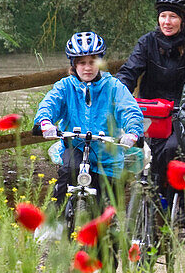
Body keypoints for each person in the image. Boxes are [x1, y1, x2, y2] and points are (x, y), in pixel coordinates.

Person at [32, 31, 144, 221]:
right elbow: (50, 103)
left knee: (107, 210)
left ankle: (109, 240)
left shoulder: (114, 87)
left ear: (100, 62)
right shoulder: (65, 86)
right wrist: (45, 121)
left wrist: (133, 131)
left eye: (92, 62)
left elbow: (129, 109)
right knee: (67, 173)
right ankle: (54, 222)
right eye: (81, 63)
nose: (87, 68)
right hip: (74, 146)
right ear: (74, 65)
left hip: (107, 154)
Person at [116, 0, 185, 197]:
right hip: (150, 111)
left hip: (182, 111)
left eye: (173, 16)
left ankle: (176, 202)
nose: (167, 21)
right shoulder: (148, 42)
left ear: (182, 20)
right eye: (163, 16)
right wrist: (119, 92)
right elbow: (130, 70)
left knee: (173, 150)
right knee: (130, 151)